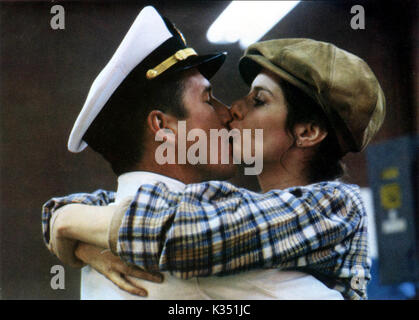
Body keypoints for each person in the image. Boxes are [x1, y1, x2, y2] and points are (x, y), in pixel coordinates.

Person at [43, 6, 345, 300]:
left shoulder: (91, 237)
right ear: (163, 127)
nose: (228, 113)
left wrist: (63, 220)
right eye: (208, 98)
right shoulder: (209, 253)